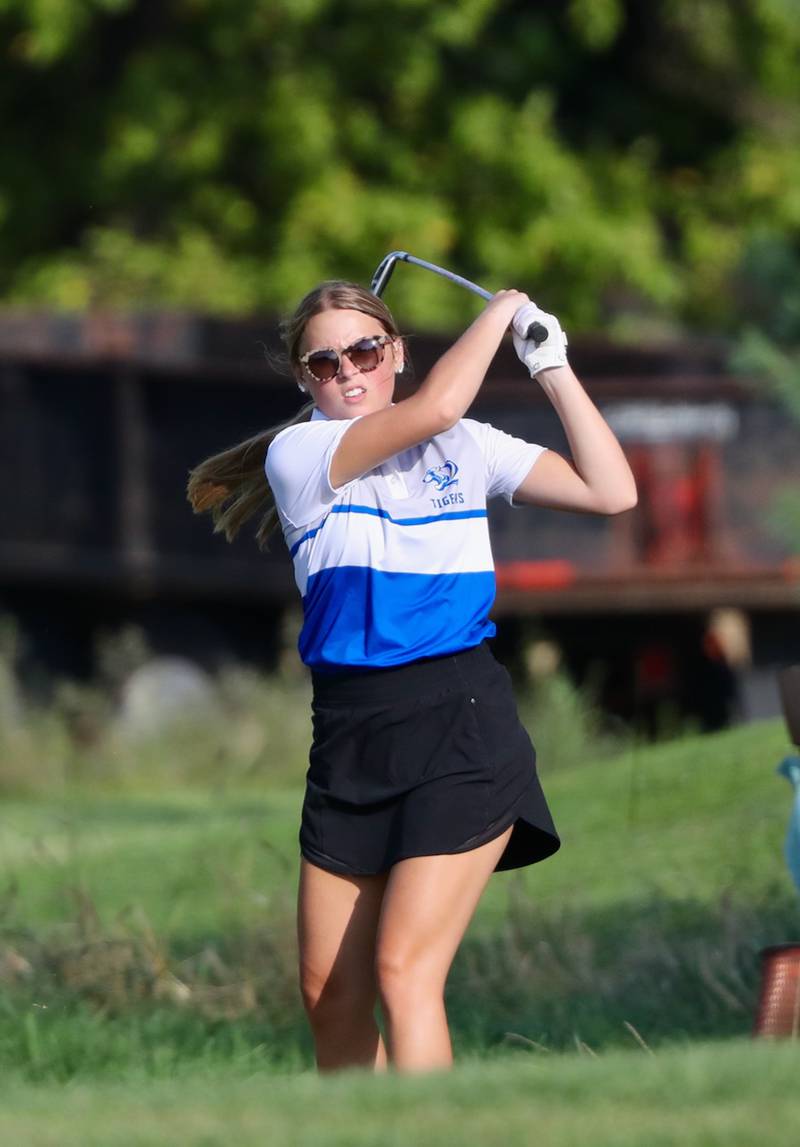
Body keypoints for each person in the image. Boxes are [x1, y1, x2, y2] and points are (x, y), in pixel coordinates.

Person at [187, 279, 637, 1076]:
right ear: (303, 378)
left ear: (395, 352)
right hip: (352, 735)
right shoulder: (303, 454)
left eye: (365, 350)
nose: (348, 372)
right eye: (324, 362)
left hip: (459, 722)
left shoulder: (468, 444)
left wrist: (552, 365)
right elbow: (428, 407)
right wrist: (499, 309)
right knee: (329, 992)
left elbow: (612, 491)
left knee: (405, 971)